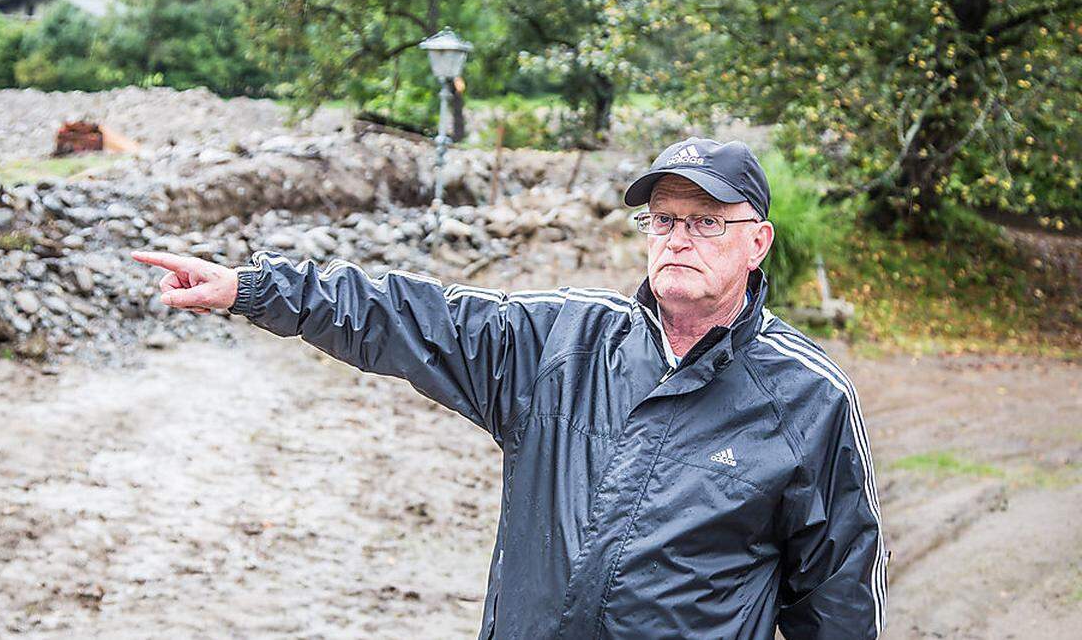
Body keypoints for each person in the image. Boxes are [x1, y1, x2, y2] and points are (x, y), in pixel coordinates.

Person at [130, 137, 889, 639]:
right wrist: (253, 289)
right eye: (662, 219)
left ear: (758, 241)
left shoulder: (808, 398)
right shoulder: (562, 341)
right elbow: (411, 317)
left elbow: (839, 602)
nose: (677, 238)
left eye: (705, 222)